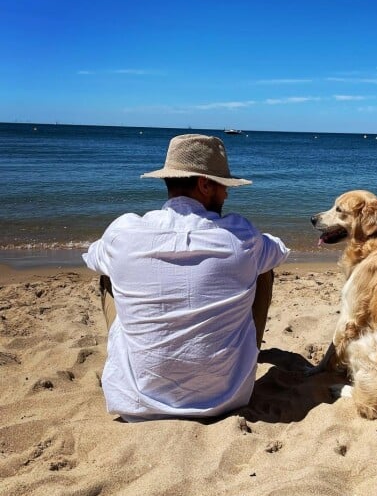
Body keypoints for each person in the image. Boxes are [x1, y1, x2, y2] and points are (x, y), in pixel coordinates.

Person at [83, 133, 289, 421]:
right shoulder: (239, 235)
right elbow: (280, 250)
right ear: (205, 184)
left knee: (107, 273)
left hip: (137, 401)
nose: (227, 194)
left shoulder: (125, 232)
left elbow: (91, 256)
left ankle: (145, 357)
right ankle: (242, 353)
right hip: (227, 398)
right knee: (262, 268)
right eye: (223, 186)